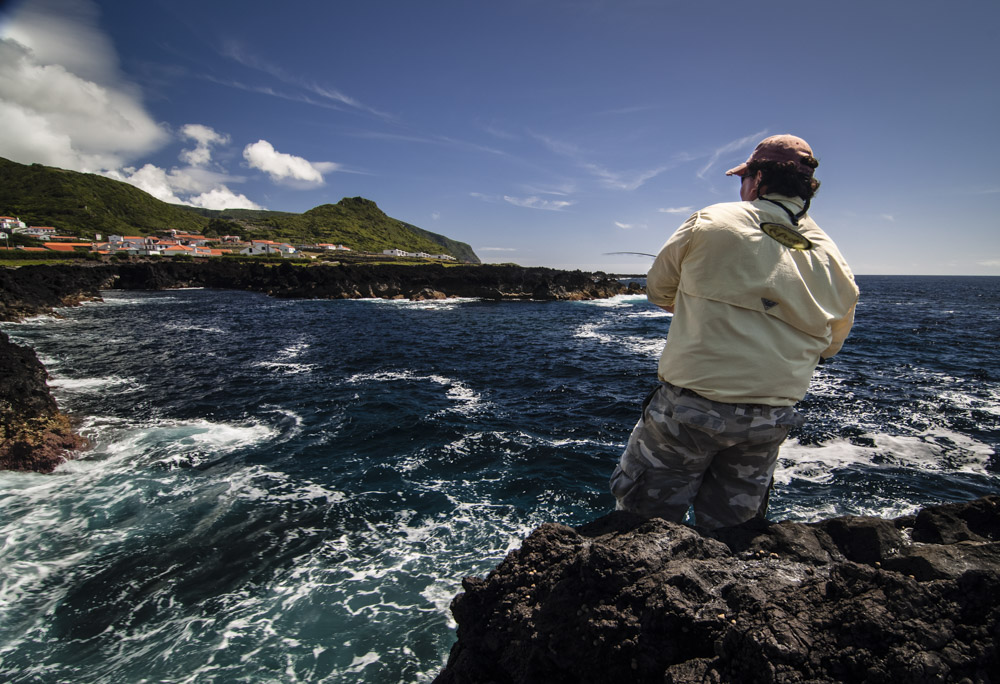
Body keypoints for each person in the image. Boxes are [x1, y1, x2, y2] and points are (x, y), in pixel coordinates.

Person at [609, 134, 859, 530]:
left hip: (689, 413)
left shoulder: (712, 220)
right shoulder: (835, 260)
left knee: (641, 526)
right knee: (734, 533)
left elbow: (658, 291)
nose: (742, 188)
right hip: (769, 422)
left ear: (758, 179)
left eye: (744, 179)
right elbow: (829, 347)